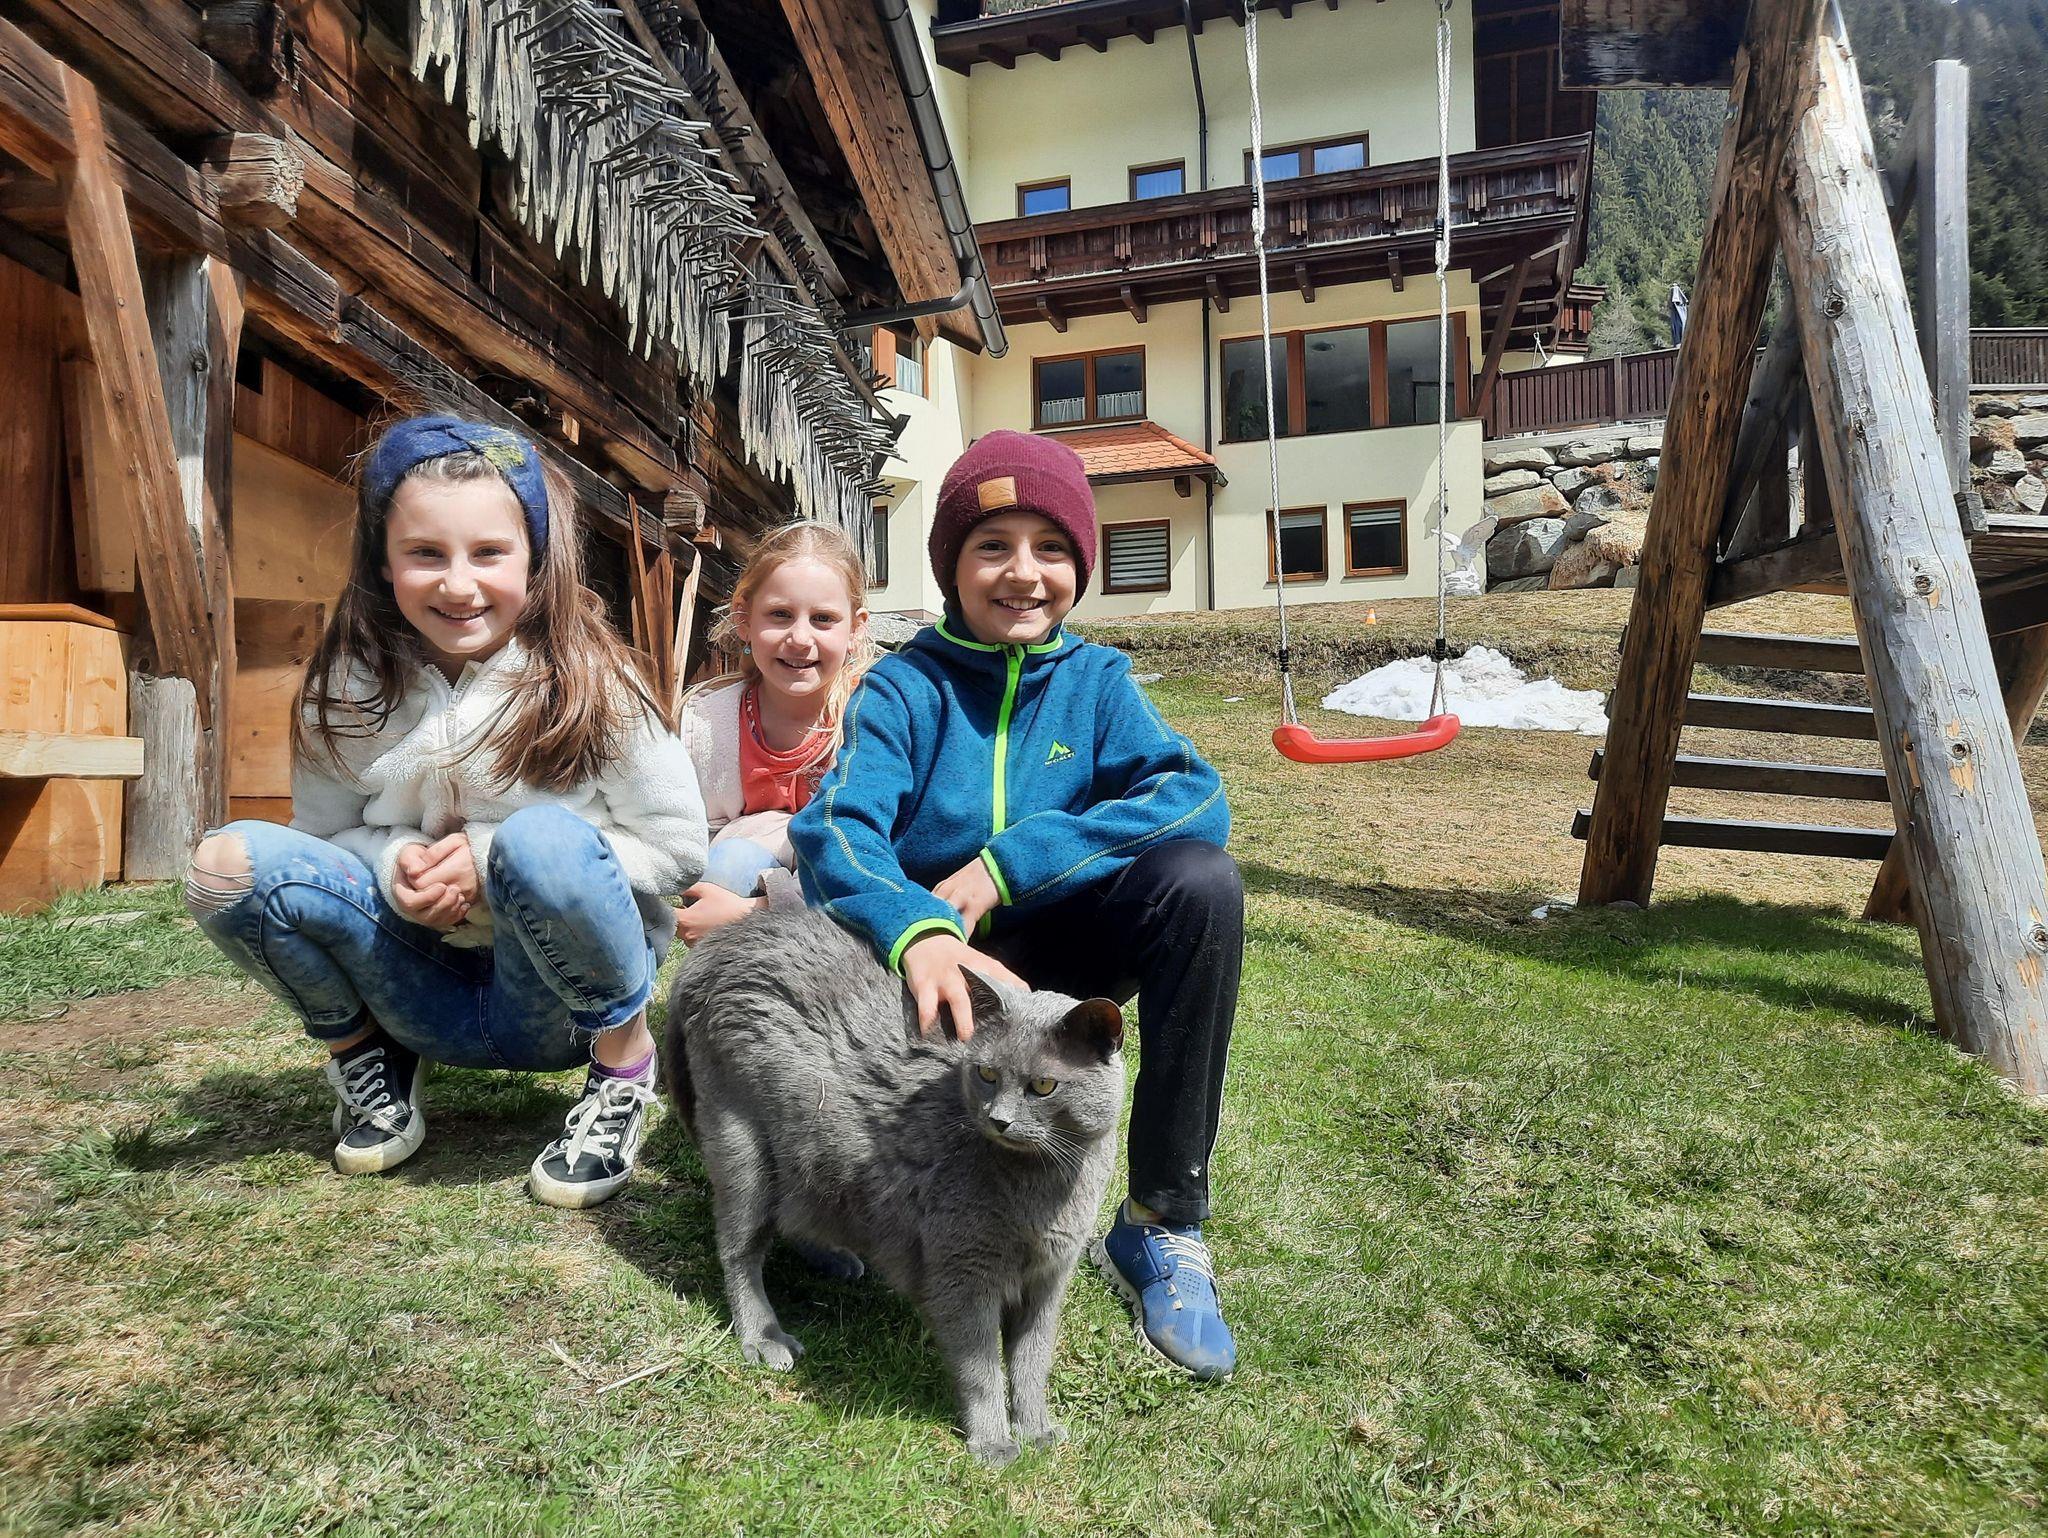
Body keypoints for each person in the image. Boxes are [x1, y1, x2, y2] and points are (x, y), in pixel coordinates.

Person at [789, 430, 1244, 1379]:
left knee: (1201, 883)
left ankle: (1161, 1220)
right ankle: (825, 1200)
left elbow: (1194, 794)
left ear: (1080, 564)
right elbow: (836, 828)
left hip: (1059, 967)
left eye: (1051, 548)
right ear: (951, 565)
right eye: (992, 546)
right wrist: (917, 931)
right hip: (937, 970)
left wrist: (1010, 866)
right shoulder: (902, 689)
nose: (1023, 573)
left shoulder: (1099, 685)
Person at [183, 414, 707, 1210]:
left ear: (535, 559)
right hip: (414, 988)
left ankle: (623, 1070)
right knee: (226, 865)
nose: (458, 586)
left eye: (489, 553)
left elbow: (678, 849)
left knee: (540, 840)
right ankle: (367, 1055)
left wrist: (492, 859)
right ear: (382, 561)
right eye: (425, 553)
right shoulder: (345, 686)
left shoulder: (595, 682)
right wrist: (396, 862)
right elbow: (321, 840)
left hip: (562, 1005)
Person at [673, 522, 875, 945]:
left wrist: (758, 911)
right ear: (744, 619)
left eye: (823, 619)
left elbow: (874, 856)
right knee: (729, 861)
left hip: (849, 909)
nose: (800, 638)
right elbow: (690, 848)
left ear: (855, 630)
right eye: (780, 614)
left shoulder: (870, 721)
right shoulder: (708, 725)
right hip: (741, 883)